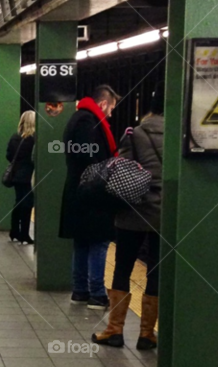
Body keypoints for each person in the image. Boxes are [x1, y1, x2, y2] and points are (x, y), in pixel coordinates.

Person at [93, 89, 164, 348]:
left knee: (122, 267)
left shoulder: (135, 134)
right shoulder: (182, 134)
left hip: (134, 211)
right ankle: (147, 334)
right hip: (164, 212)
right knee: (156, 271)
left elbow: (121, 171)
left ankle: (115, 330)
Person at [59, 84, 119, 309]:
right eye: (111, 108)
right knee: (99, 241)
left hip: (80, 192)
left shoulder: (79, 118)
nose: (110, 114)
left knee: (82, 241)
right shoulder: (87, 122)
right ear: (102, 104)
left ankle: (80, 291)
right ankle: (96, 293)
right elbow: (90, 159)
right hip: (91, 194)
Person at [6, 110, 36, 243]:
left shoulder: (15, 137)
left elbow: (8, 155)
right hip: (28, 176)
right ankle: (24, 234)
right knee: (28, 203)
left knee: (18, 201)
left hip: (16, 174)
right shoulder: (33, 139)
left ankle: (14, 231)